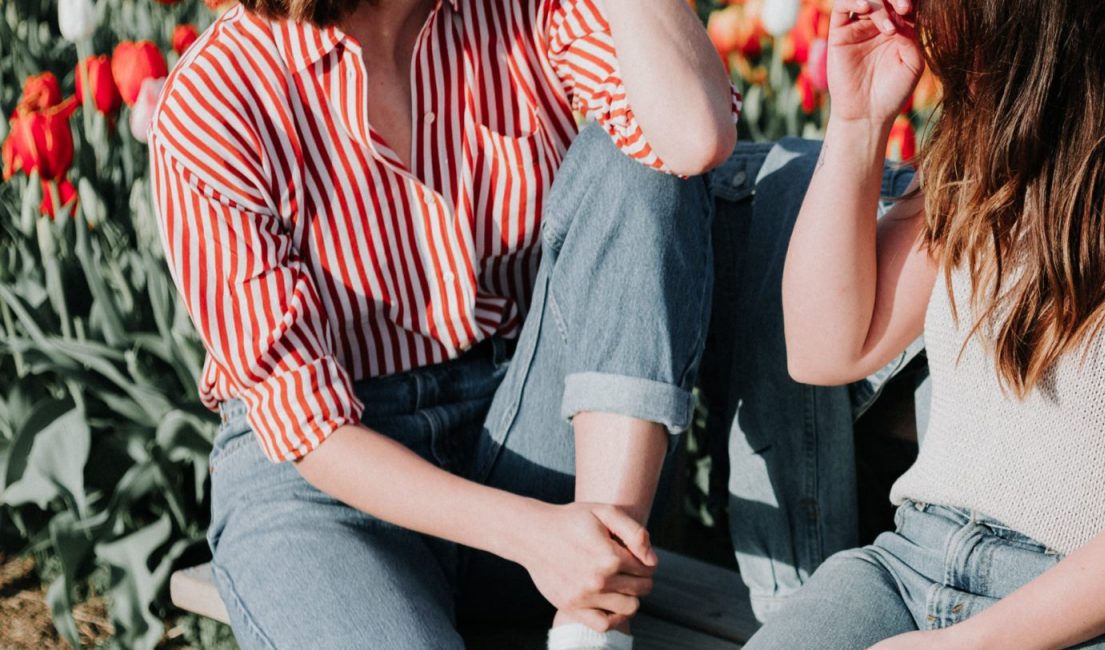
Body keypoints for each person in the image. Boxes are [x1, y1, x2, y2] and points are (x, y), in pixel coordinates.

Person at [148, 0, 741, 646]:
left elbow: (690, 138)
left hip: (521, 423)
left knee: (639, 155)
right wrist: (533, 534)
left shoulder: (519, 9)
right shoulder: (215, 101)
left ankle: (593, 627)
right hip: (325, 485)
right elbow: (309, 429)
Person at [743, 0, 1105, 646]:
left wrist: (964, 645)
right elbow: (825, 350)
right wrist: (859, 121)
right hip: (907, 571)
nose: (911, 7)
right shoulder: (990, 147)